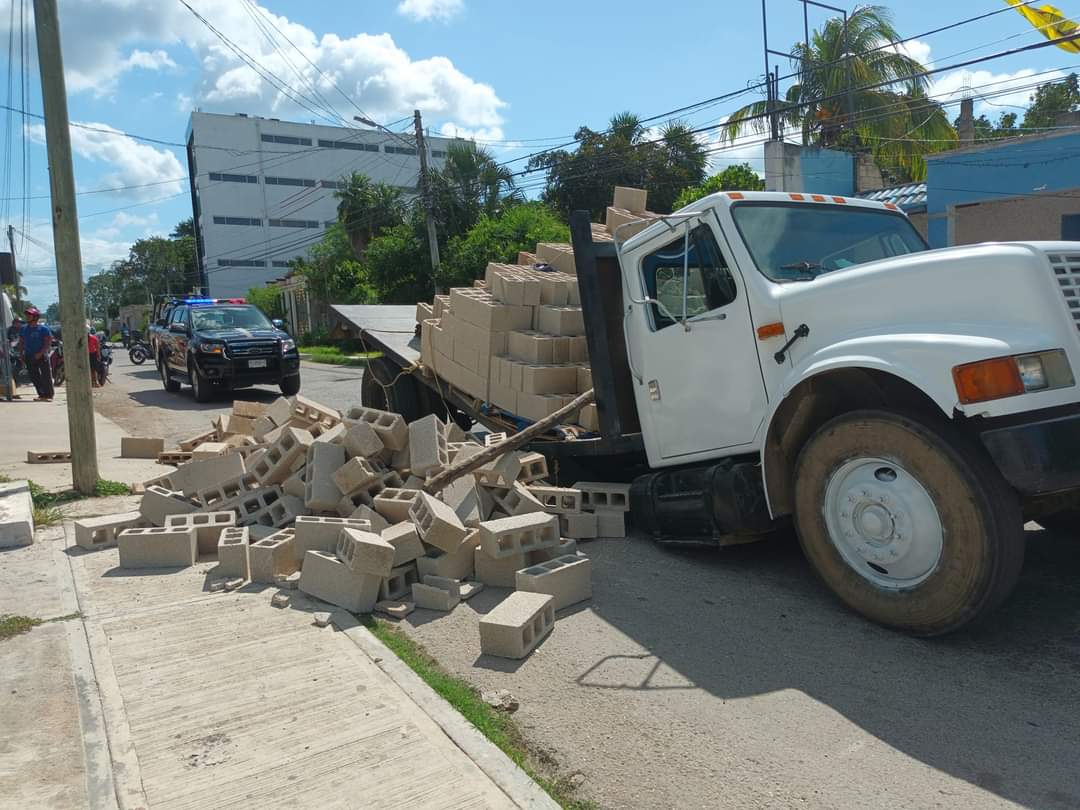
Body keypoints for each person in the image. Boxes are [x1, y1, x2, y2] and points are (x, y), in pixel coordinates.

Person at [21, 307, 53, 401]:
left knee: (45, 375)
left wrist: (41, 353)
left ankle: (49, 395)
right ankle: (41, 394)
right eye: (26, 315)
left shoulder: (43, 329)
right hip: (29, 355)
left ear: (35, 317)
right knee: (34, 376)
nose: (27, 317)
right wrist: (21, 354)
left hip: (41, 355)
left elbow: (48, 342)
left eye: (29, 315)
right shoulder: (24, 329)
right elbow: (21, 342)